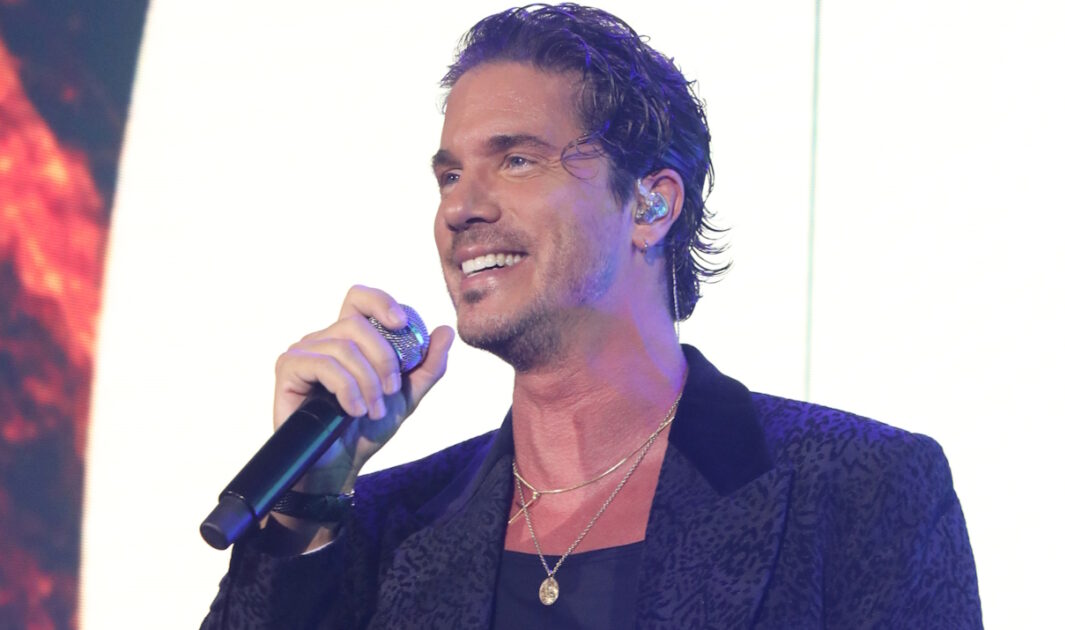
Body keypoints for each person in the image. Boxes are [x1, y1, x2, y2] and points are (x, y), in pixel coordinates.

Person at [203, 4, 982, 628]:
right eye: (449, 176)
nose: (461, 209)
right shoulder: (382, 530)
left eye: (516, 159)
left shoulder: (859, 492)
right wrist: (306, 503)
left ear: (650, 205)